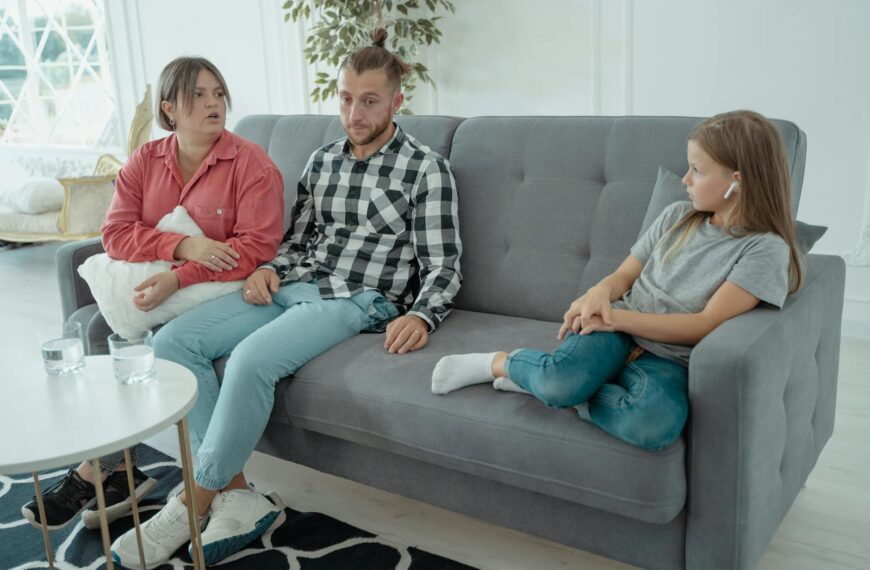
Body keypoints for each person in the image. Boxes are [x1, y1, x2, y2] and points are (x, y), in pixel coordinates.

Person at [111, 29, 461, 568]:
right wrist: (268, 270)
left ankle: (191, 501)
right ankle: (237, 495)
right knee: (173, 343)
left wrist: (422, 314)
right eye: (345, 99)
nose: (354, 114)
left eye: (370, 101)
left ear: (397, 102)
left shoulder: (426, 168)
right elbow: (295, 241)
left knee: (250, 361)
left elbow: (443, 265)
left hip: (356, 299)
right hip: (294, 285)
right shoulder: (322, 161)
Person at [431, 110, 802, 452]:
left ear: (736, 181)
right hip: (614, 333)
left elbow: (704, 324)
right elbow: (625, 275)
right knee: (559, 381)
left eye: (697, 170)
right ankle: (498, 364)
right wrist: (598, 293)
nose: (685, 179)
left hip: (668, 358)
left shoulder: (765, 250)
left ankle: (549, 385)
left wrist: (616, 318)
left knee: (653, 425)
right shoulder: (676, 215)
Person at [21, 56, 285, 532]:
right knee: (98, 328)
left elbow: (256, 249)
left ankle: (184, 480)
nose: (213, 103)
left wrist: (179, 276)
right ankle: (116, 468)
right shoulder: (145, 161)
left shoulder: (252, 165)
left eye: (218, 94)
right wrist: (182, 244)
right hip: (164, 285)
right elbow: (115, 234)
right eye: (198, 95)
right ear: (169, 108)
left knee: (122, 333)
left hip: (222, 291)